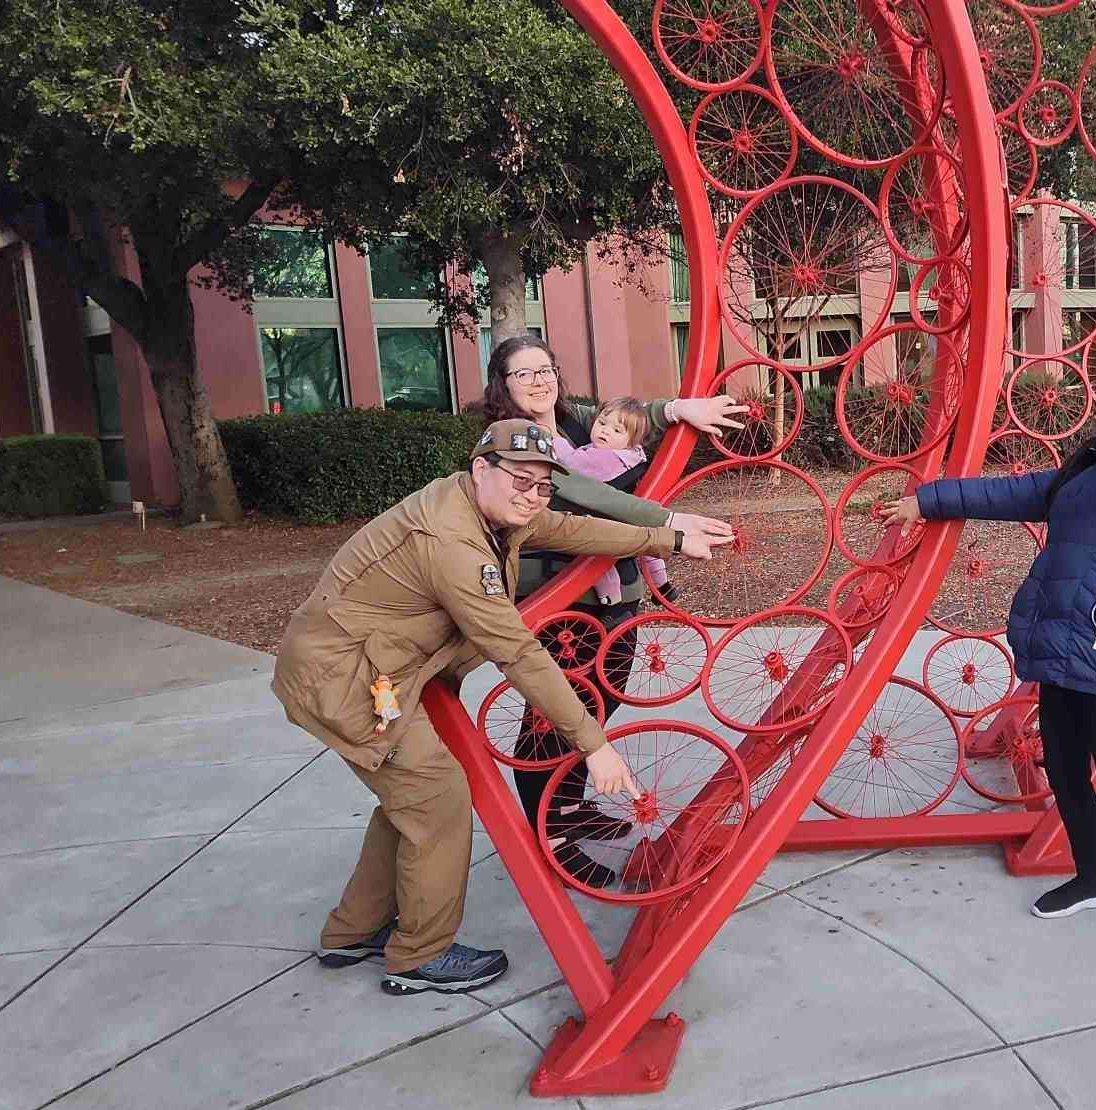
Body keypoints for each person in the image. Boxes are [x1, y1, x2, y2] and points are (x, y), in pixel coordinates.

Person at [273, 419, 731, 995]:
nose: (532, 495)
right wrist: (595, 744)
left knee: (409, 800)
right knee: (436, 796)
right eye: (520, 479)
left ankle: (352, 932)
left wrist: (669, 539)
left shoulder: (484, 507)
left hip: (380, 669)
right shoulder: (454, 543)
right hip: (347, 679)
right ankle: (418, 957)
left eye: (543, 484)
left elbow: (568, 526)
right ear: (480, 469)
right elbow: (515, 650)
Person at [884, 359, 1096, 954]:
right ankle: (1093, 876)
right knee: (1062, 764)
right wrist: (927, 500)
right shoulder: (1090, 471)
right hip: (1064, 637)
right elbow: (1012, 492)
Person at [480, 335, 747, 887]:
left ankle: (572, 805)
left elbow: (627, 416)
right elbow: (580, 492)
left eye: (544, 369)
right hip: (556, 599)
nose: (538, 381)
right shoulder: (510, 441)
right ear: (502, 385)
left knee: (599, 704)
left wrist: (674, 410)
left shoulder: (579, 423)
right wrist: (664, 521)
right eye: (522, 374)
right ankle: (547, 835)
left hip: (615, 594)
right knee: (555, 717)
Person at [558, 396, 676, 607]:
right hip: (631, 519)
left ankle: (611, 600)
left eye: (617, 430)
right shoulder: (631, 456)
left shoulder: (607, 458)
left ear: (632, 441)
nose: (605, 431)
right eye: (602, 423)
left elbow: (574, 464)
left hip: (607, 521)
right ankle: (662, 585)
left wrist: (556, 443)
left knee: (595, 558)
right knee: (650, 548)